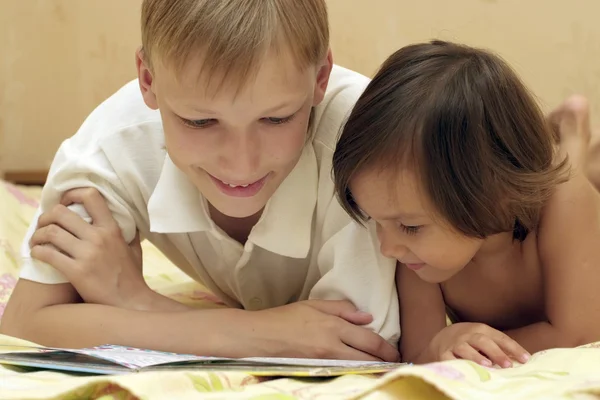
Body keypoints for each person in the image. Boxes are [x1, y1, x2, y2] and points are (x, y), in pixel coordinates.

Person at [0, 0, 400, 362]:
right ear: (148, 81)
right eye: (200, 121)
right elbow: (26, 320)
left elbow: (361, 346)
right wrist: (257, 333)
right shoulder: (109, 151)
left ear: (321, 78)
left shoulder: (366, 144)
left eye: (276, 119)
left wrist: (136, 301)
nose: (242, 165)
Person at [332, 40, 600, 368]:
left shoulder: (564, 199)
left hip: (564, 204)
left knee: (568, 176)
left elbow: (581, 336)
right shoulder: (415, 254)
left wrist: (471, 350)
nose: (386, 248)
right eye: (376, 221)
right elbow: (420, 356)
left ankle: (573, 136)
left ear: (489, 194)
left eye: (409, 226)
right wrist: (445, 343)